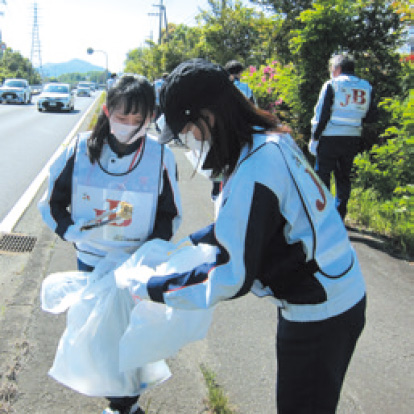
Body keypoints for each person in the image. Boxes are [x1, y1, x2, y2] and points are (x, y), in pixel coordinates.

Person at [132, 58, 366, 413]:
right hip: (333, 293)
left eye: (189, 129)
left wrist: (152, 287)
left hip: (320, 312)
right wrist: (193, 242)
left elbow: (231, 276)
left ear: (209, 116)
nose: (191, 139)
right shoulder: (269, 141)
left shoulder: (253, 170)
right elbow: (253, 223)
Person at [38, 74, 182, 414]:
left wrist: (150, 250)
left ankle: (125, 404)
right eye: (121, 117)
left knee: (131, 335)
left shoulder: (161, 156)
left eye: (139, 119)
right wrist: (70, 231)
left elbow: (170, 214)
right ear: (106, 112)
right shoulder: (79, 149)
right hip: (91, 261)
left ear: (152, 116)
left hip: (135, 265)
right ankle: (119, 402)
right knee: (100, 334)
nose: (129, 126)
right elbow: (51, 204)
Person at [308, 53, 377, 220]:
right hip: (352, 138)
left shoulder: (332, 85)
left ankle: (323, 216)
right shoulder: (366, 87)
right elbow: (372, 115)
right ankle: (340, 215)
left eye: (332, 68)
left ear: (337, 68)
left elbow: (321, 115)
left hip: (330, 137)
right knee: (343, 177)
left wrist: (314, 138)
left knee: (322, 176)